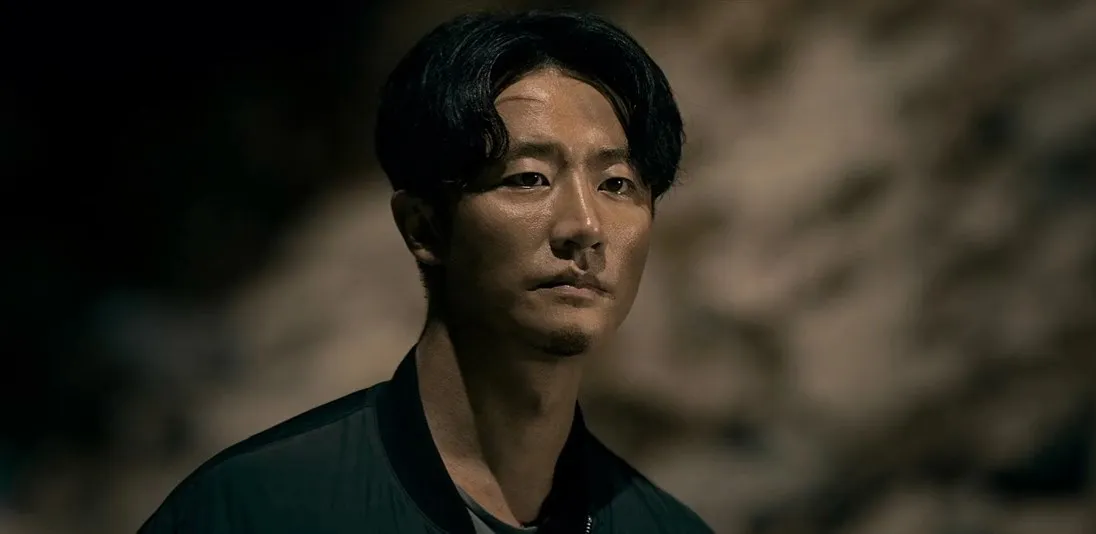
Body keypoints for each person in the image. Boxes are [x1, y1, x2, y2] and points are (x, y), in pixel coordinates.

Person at [138, 8, 712, 534]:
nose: (584, 225)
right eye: (528, 178)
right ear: (424, 227)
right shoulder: (259, 509)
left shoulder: (665, 528)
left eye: (617, 184)